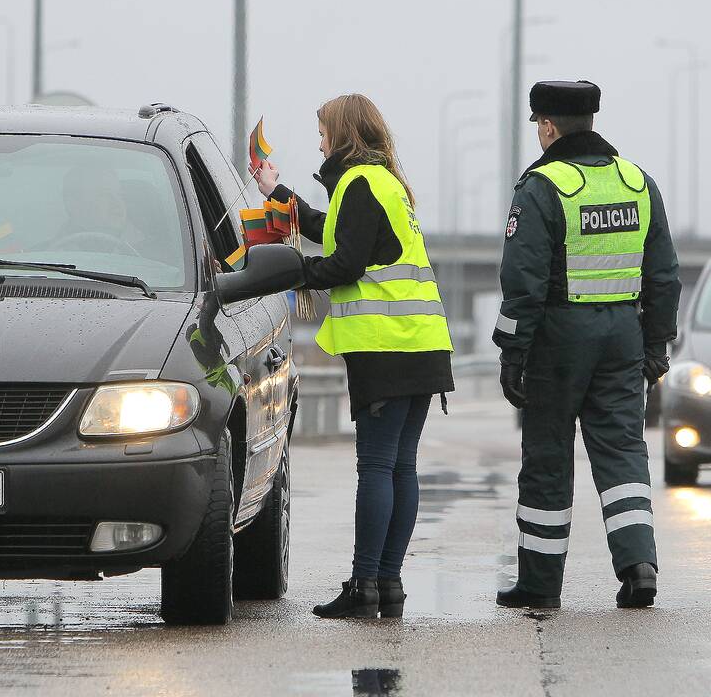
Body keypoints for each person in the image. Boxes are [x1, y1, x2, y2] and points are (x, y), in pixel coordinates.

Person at [255, 94, 454, 618]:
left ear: (342, 133)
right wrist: (278, 194)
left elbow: (344, 263)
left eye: (322, 131)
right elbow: (336, 232)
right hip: (422, 344)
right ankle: (387, 584)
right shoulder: (381, 182)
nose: (318, 140)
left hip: (386, 348)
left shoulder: (360, 183)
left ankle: (365, 583)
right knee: (400, 468)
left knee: (377, 467)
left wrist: (289, 271)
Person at [493, 80, 681, 609]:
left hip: (558, 339)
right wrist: (655, 344)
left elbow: (523, 281)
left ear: (548, 126)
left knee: (548, 457)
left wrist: (512, 352)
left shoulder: (542, 187)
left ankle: (540, 583)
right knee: (623, 452)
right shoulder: (636, 182)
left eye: (537, 125)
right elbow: (664, 275)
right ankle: (639, 566)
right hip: (623, 334)